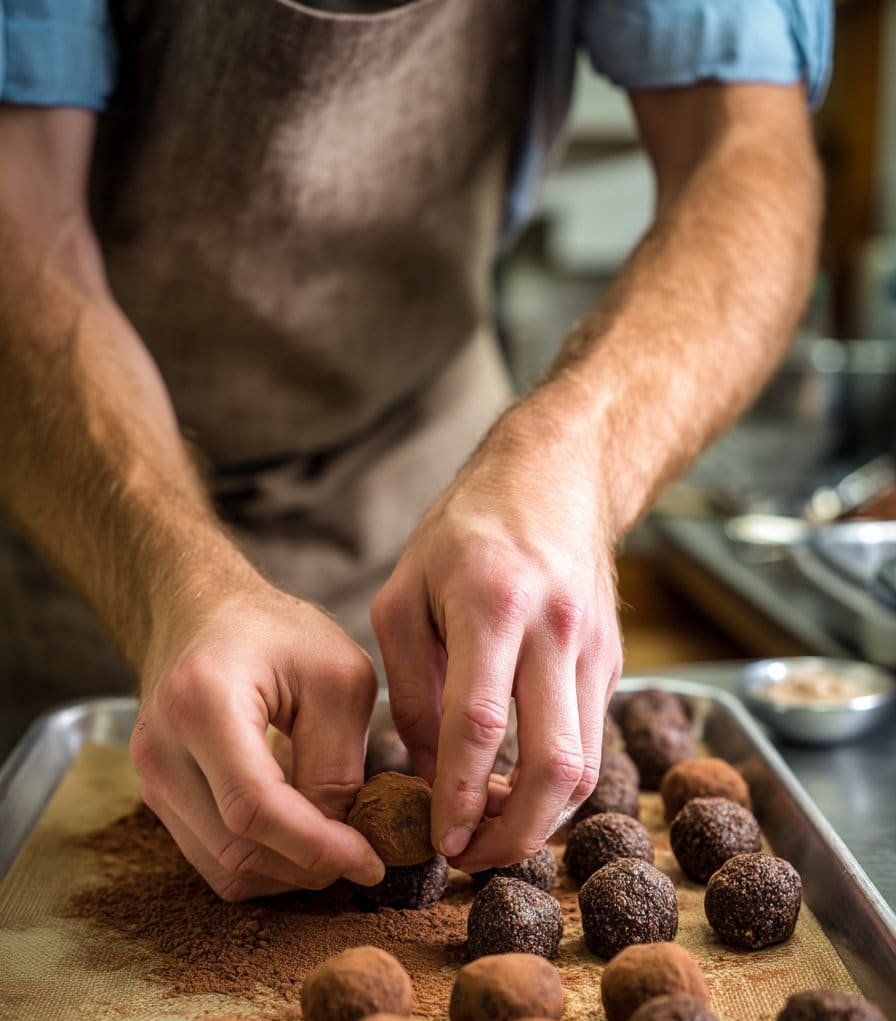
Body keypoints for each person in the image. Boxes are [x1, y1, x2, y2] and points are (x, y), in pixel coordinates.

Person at [0, 0, 829, 900]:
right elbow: (19, 222)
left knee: (455, 750)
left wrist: (576, 452)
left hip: (427, 491)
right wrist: (165, 585)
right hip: (76, 516)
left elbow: (745, 154)